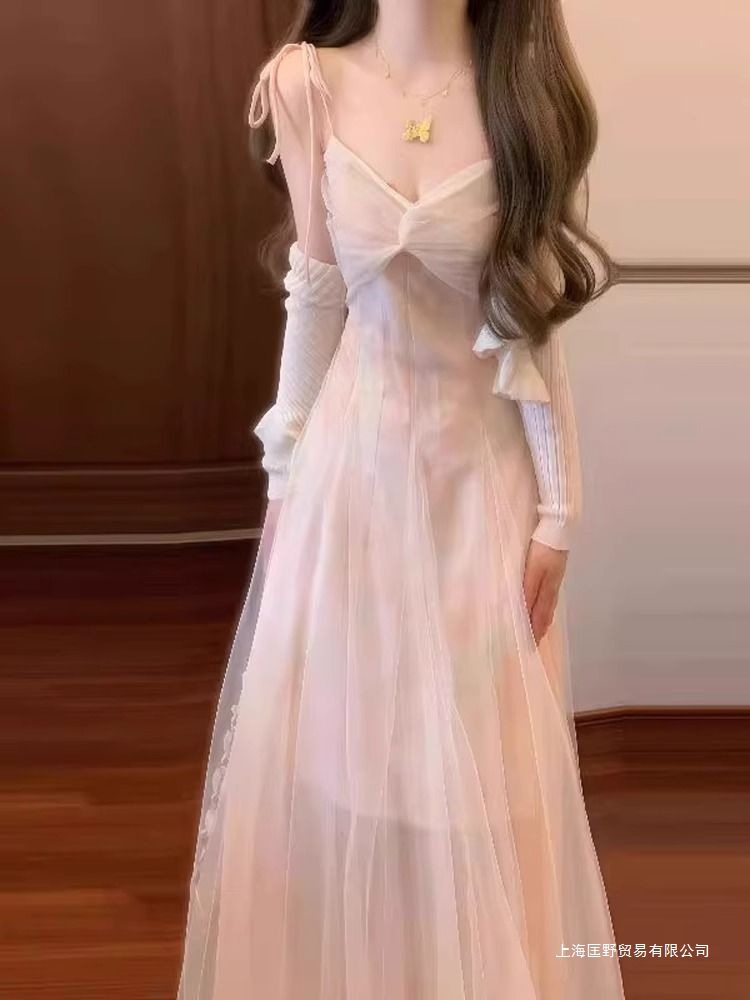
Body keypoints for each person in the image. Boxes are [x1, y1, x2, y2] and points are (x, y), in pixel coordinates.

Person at [177, 2, 626, 997]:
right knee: (347, 770)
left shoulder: (522, 90)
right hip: (351, 481)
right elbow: (317, 289)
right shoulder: (305, 84)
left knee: (483, 788)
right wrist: (285, 477)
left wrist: (561, 512)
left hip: (485, 490)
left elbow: (533, 321)